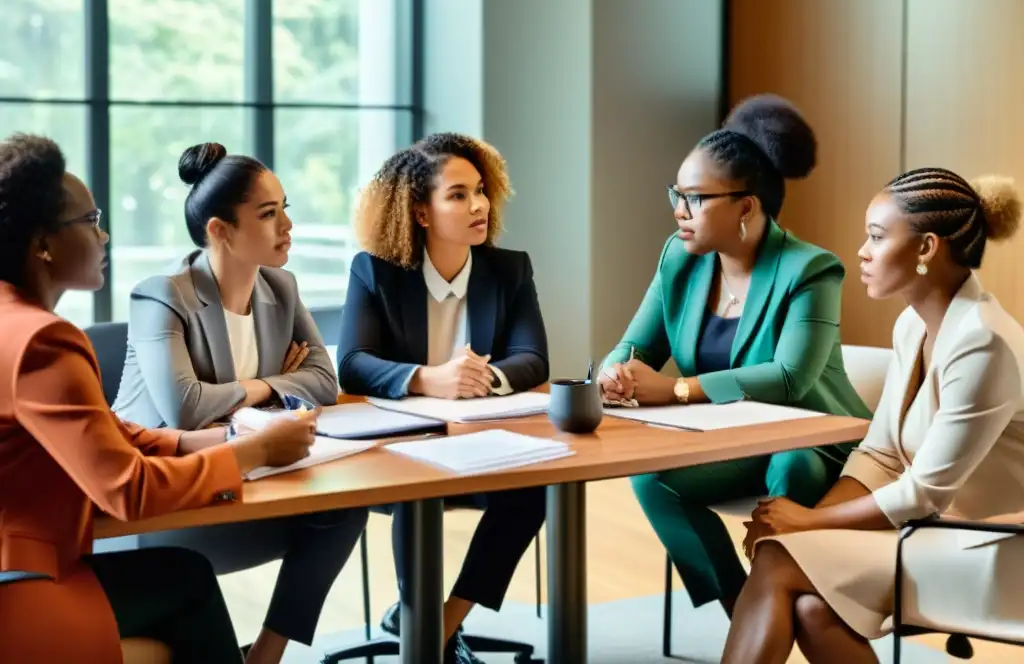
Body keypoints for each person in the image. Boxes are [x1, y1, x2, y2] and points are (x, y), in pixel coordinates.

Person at [0, 133, 320, 663]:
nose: (103, 236)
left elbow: (109, 432)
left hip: (27, 560)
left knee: (182, 576)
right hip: (25, 581)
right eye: (90, 220)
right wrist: (254, 452)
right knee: (186, 583)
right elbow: (126, 489)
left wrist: (224, 435)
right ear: (42, 244)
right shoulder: (42, 341)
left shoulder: (15, 322)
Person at [721, 168, 1024, 664]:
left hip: (994, 547)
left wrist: (807, 523)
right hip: (930, 529)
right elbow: (880, 455)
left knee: (778, 555)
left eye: (878, 237)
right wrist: (808, 523)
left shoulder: (984, 341)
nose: (861, 250)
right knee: (814, 608)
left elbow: (923, 491)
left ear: (927, 248)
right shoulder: (912, 325)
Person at [599, 95, 872, 619]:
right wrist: (616, 372)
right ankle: (743, 612)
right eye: (675, 194)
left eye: (696, 198)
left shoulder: (810, 270)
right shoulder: (680, 259)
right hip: (729, 443)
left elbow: (791, 378)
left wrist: (677, 389)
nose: (679, 210)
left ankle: (784, 606)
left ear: (746, 206)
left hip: (812, 440)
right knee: (651, 478)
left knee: (792, 466)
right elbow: (637, 345)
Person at [112, 142, 368, 664]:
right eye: (269, 214)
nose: (288, 226)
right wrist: (273, 382)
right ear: (220, 230)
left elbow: (323, 379)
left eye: (285, 208)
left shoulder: (282, 286)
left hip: (254, 476)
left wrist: (257, 390)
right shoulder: (162, 295)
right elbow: (185, 408)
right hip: (167, 495)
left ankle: (266, 655)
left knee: (345, 507)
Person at [337, 132, 549, 664]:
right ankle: (419, 618)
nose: (478, 205)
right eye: (457, 195)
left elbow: (533, 358)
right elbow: (353, 363)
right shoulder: (376, 272)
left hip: (482, 448)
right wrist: (429, 379)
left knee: (534, 490)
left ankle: (439, 624)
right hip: (397, 457)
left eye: (480, 190)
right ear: (422, 212)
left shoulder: (509, 270)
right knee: (418, 488)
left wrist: (484, 379)